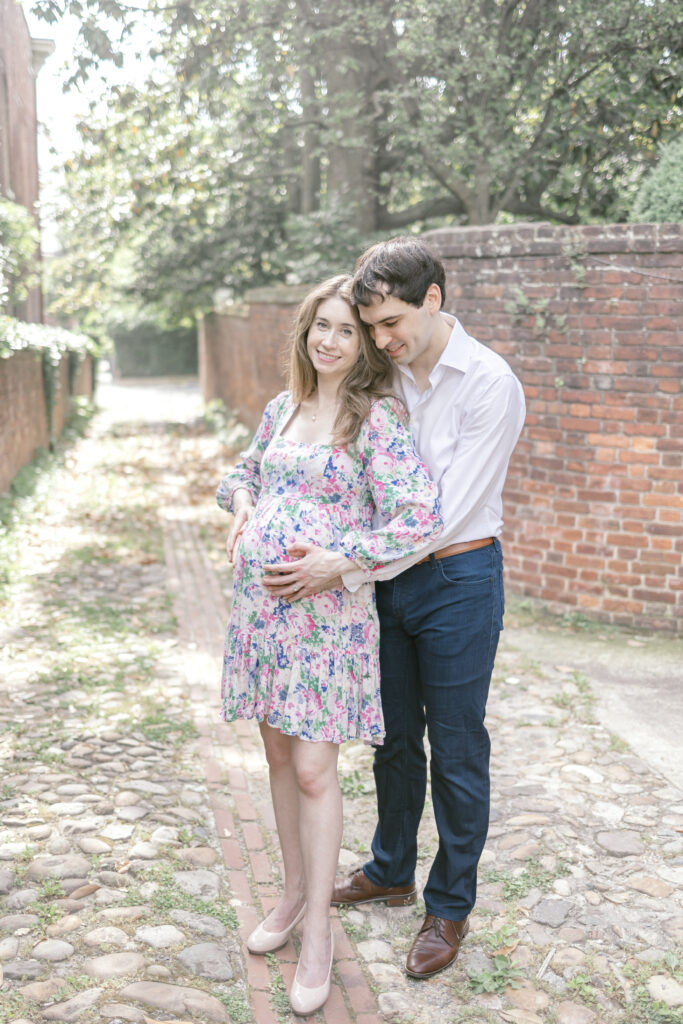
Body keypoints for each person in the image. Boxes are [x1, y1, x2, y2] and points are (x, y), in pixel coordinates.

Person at [262, 238, 526, 980]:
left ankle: (448, 906)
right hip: (383, 582)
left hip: (457, 578)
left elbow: (438, 516)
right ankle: (388, 868)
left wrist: (339, 563)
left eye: (390, 322)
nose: (380, 338)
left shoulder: (487, 384)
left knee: (456, 747)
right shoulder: (386, 378)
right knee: (392, 739)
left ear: (433, 300)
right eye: (370, 324)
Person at [216, 273, 442, 1015]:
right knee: (278, 755)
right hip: (262, 614)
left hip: (327, 620)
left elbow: (416, 517)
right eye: (322, 326)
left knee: (315, 770)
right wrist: (245, 508)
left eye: (347, 329)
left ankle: (317, 932)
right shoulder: (282, 409)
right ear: (305, 331)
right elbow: (241, 474)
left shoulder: (373, 419)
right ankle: (287, 896)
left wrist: (336, 561)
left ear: (362, 344)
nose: (331, 340)